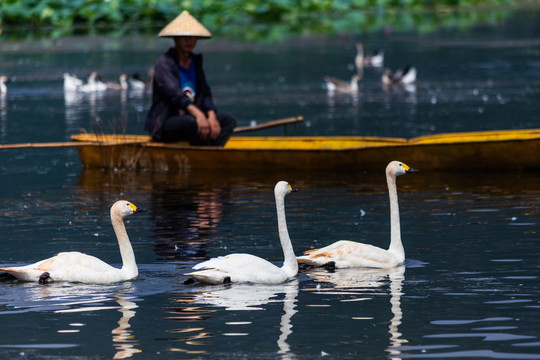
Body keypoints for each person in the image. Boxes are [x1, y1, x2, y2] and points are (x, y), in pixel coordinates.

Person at [145, 10, 236, 145]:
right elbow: (174, 95)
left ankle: (212, 153)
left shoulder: (195, 61)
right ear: (175, 39)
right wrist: (199, 115)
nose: (189, 41)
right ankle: (203, 152)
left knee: (227, 120)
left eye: (192, 37)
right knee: (192, 123)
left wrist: (211, 116)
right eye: (184, 37)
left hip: (192, 117)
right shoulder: (165, 63)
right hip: (167, 122)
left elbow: (205, 93)